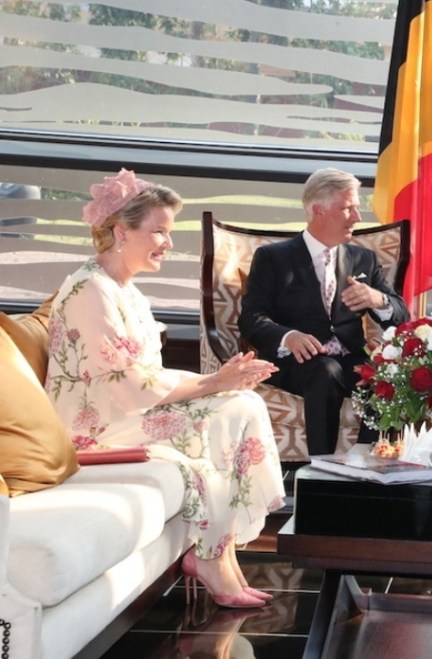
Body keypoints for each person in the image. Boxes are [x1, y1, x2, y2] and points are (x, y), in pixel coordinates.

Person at [45, 169, 285, 609]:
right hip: (95, 426)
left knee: (242, 401)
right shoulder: (89, 290)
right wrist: (213, 383)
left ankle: (219, 550)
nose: (168, 243)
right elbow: (131, 388)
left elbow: (146, 377)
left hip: (125, 411)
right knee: (232, 409)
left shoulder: (126, 291)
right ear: (122, 232)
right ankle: (210, 556)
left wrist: (222, 382)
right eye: (159, 231)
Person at [238, 168, 409, 456]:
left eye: (357, 208)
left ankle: (367, 461)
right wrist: (289, 336)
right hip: (296, 363)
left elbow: (402, 316)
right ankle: (322, 465)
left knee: (384, 373)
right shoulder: (273, 258)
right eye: (348, 208)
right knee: (324, 370)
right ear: (319, 209)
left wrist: (377, 298)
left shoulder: (364, 259)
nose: (357, 217)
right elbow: (251, 318)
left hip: (350, 358)